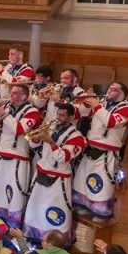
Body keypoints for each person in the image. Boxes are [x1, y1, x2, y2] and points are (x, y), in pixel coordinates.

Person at [0, 83, 42, 228]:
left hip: (18, 157)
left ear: (24, 96)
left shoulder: (32, 111)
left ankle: (12, 224)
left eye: (15, 93)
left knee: (14, 192)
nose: (12, 96)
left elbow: (19, 129)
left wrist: (3, 114)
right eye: (11, 93)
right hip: (0, 153)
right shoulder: (7, 108)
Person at [23, 101, 87, 243]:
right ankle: (33, 235)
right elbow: (33, 145)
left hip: (59, 178)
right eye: (58, 114)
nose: (59, 118)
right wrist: (35, 139)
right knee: (35, 207)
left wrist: (50, 142)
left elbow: (64, 157)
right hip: (41, 171)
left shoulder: (77, 137)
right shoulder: (50, 128)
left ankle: (56, 240)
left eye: (63, 115)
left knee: (56, 209)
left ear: (71, 117)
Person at [72, 81, 128, 221]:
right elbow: (82, 113)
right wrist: (86, 102)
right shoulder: (103, 103)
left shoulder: (126, 109)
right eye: (109, 88)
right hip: (91, 147)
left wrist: (96, 105)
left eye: (113, 89)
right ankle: (84, 206)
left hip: (107, 152)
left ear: (121, 93)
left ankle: (100, 212)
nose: (108, 91)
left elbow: (110, 122)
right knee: (83, 178)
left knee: (102, 183)